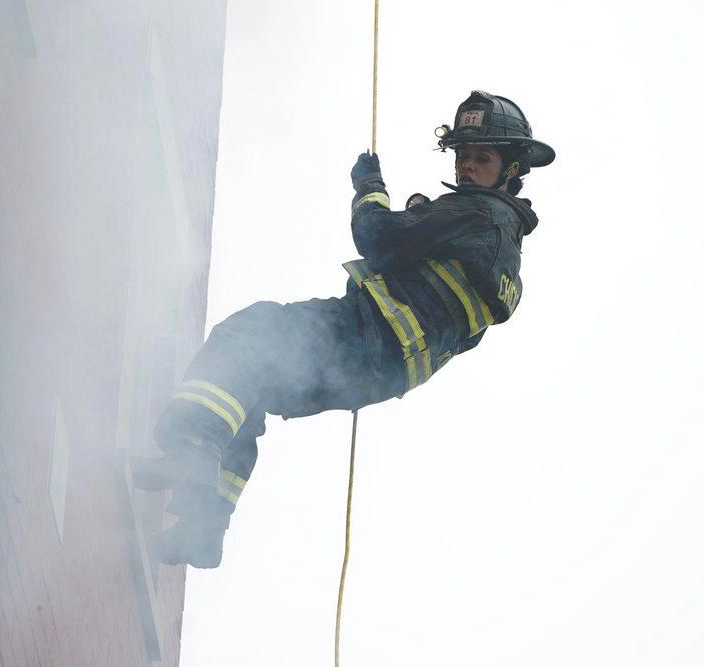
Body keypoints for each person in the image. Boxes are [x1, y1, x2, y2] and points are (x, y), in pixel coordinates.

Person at [131, 91, 555, 568]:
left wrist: (370, 187)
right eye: (463, 155)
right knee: (249, 392)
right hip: (378, 375)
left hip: (365, 333)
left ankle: (190, 450)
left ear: (512, 170)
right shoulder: (504, 255)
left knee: (247, 337)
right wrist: (423, 221)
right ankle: (203, 527)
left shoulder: (479, 213)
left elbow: (378, 239)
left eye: (482, 158)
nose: (467, 167)